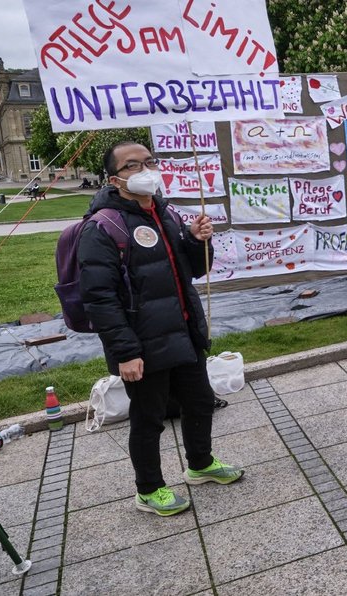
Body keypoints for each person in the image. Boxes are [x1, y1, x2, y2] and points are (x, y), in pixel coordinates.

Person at [78, 141, 243, 517]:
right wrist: (126, 352)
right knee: (149, 418)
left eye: (150, 162)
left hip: (182, 332)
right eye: (133, 165)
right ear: (114, 178)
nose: (146, 170)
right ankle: (149, 489)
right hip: (143, 343)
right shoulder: (102, 227)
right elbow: (99, 298)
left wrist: (197, 241)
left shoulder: (165, 214)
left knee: (200, 402)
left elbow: (194, 271)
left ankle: (200, 465)